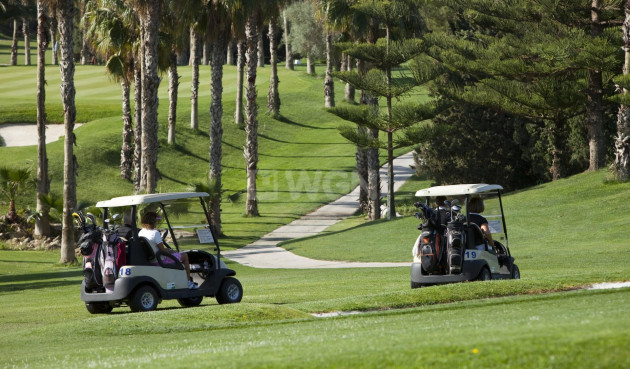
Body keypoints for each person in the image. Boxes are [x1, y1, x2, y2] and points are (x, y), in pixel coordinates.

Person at [139, 212, 198, 289]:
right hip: (160, 260)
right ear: (153, 222)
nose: (157, 223)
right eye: (156, 221)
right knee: (185, 256)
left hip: (151, 260)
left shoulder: (141, 232)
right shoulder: (155, 233)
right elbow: (163, 250)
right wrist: (171, 251)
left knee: (174, 253)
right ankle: (188, 282)